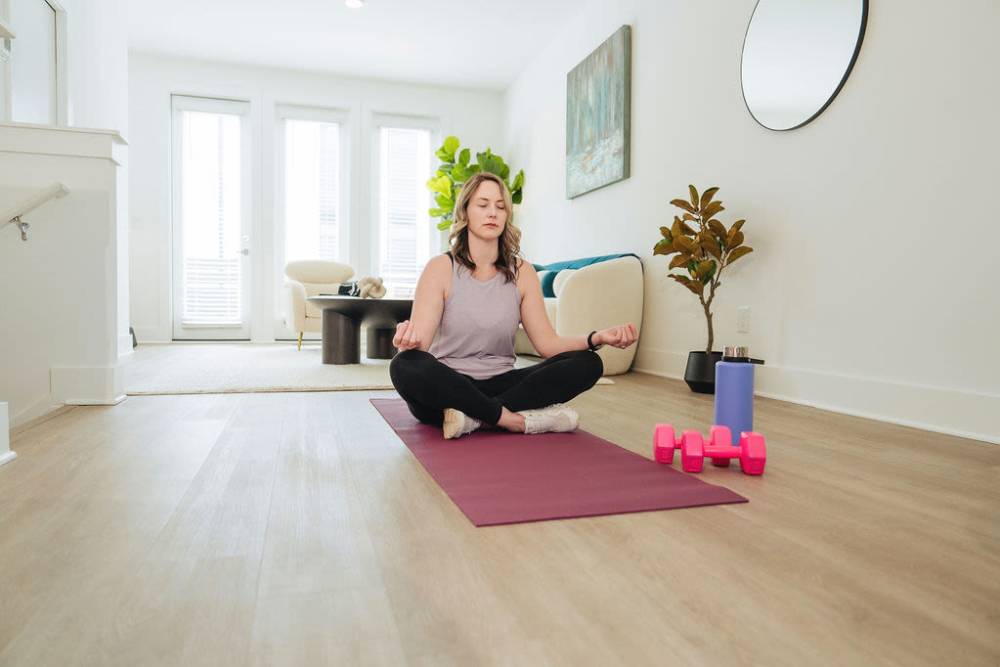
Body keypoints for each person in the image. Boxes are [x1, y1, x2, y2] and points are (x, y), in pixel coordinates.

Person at [388, 171, 638, 439]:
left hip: (502, 385)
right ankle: (511, 419)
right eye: (483, 205)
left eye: (500, 206)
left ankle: (476, 418)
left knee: (588, 363)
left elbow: (547, 344)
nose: (492, 213)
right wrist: (407, 341)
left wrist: (596, 337)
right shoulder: (440, 268)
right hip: (451, 384)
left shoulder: (522, 272)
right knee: (404, 365)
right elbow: (420, 347)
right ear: (465, 212)